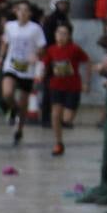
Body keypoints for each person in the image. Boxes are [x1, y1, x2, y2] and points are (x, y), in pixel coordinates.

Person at [0, 0, 46, 145]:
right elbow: (5, 42)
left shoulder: (35, 29)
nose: (23, 13)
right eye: (20, 10)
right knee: (7, 93)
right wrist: (0, 57)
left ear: (30, 13)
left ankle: (19, 129)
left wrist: (36, 56)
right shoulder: (9, 26)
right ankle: (13, 108)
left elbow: (42, 47)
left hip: (27, 69)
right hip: (11, 65)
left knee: (24, 100)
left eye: (26, 10)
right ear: (16, 12)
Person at [40, 23, 90, 156]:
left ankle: (63, 125)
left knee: (67, 119)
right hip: (56, 86)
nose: (61, 36)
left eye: (64, 34)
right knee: (55, 114)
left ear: (69, 36)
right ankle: (58, 142)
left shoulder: (75, 49)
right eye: (59, 33)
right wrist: (40, 75)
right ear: (55, 35)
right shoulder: (51, 50)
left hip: (73, 87)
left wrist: (86, 82)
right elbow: (45, 65)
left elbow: (87, 62)